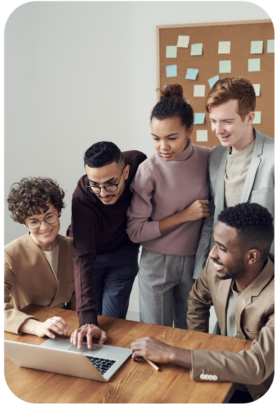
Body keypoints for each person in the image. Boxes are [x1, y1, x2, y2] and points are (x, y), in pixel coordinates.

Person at [131, 202, 274, 402]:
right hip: (214, 374)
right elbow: (197, 300)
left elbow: (256, 366)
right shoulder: (217, 267)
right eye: (215, 243)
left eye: (222, 248)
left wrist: (174, 353)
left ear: (252, 256)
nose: (212, 253)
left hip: (255, 392)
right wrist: (197, 352)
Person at [126, 84, 211, 329]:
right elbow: (135, 231)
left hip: (196, 260)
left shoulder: (209, 158)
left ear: (189, 131)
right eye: (156, 138)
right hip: (156, 261)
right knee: (155, 335)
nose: (163, 146)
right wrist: (184, 216)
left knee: (191, 333)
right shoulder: (149, 169)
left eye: (171, 138)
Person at [67, 141, 146, 349]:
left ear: (126, 172)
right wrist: (87, 321)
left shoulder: (139, 163)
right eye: (95, 184)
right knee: (90, 324)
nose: (103, 192)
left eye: (111, 183)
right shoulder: (82, 197)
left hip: (123, 251)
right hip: (88, 255)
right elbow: (83, 257)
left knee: (113, 325)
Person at [194, 77, 274, 279]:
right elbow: (212, 216)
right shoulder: (216, 156)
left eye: (227, 122)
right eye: (214, 121)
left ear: (249, 117)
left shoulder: (273, 157)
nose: (218, 129)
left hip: (265, 271)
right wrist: (202, 270)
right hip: (223, 270)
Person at [5, 177, 80, 339]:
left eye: (49, 216)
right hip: (25, 333)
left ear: (59, 211)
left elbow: (78, 302)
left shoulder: (73, 248)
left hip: (65, 331)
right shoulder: (9, 255)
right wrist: (35, 326)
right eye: (34, 221)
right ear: (24, 222)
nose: (44, 227)